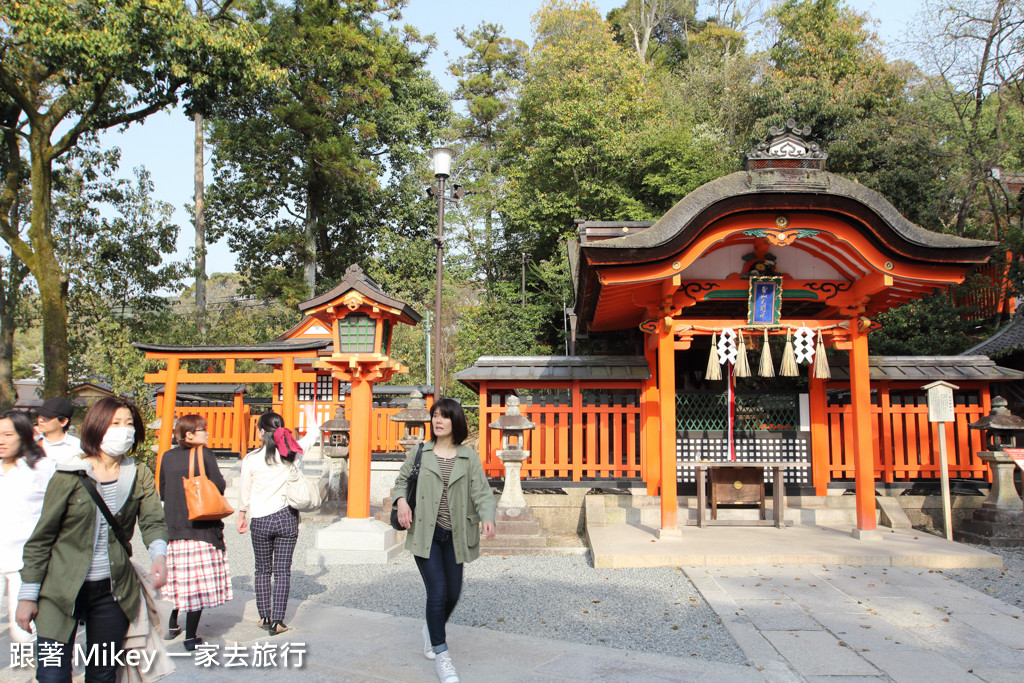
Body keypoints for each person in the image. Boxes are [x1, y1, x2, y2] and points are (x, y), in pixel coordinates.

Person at [16, 397, 168, 683]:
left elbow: (152, 521)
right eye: (115, 423)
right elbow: (42, 538)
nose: (124, 430)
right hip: (59, 590)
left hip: (112, 591)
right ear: (97, 427)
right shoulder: (68, 473)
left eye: (129, 424)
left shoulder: (139, 474)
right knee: (52, 675)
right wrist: (27, 595)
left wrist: (159, 555)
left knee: (102, 673)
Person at [393, 397, 496, 683]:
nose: (438, 421)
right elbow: (401, 482)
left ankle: (431, 628)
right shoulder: (420, 453)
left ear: (456, 422)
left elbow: (482, 493)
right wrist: (401, 502)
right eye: (435, 416)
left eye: (444, 417)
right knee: (437, 593)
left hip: (457, 535)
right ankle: (442, 654)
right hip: (425, 533)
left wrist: (488, 516)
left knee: (453, 594)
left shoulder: (468, 456)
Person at [236, 410, 319, 636]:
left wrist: (242, 513)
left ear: (261, 432)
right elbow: (314, 434)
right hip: (286, 517)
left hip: (261, 519)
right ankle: (279, 621)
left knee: (262, 570)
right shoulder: (292, 454)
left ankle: (264, 616)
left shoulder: (251, 459)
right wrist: (308, 414)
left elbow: (245, 491)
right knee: (282, 571)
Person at [158, 414, 232, 651]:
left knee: (176, 582)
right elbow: (218, 486)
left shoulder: (167, 457)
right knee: (195, 585)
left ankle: (171, 627)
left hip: (173, 527)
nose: (207, 433)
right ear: (189, 434)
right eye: (203, 430)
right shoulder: (204, 454)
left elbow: (163, 490)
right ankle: (191, 636)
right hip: (199, 528)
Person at [0, 410, 56, 644]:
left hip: (25, 564)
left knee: (24, 634)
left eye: (8, 434)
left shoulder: (43, 469)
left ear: (25, 435)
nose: (1, 440)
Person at [36, 397, 81, 463]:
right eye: (40, 415)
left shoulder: (77, 446)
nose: (41, 420)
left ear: (63, 421)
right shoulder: (31, 443)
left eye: (48, 417)